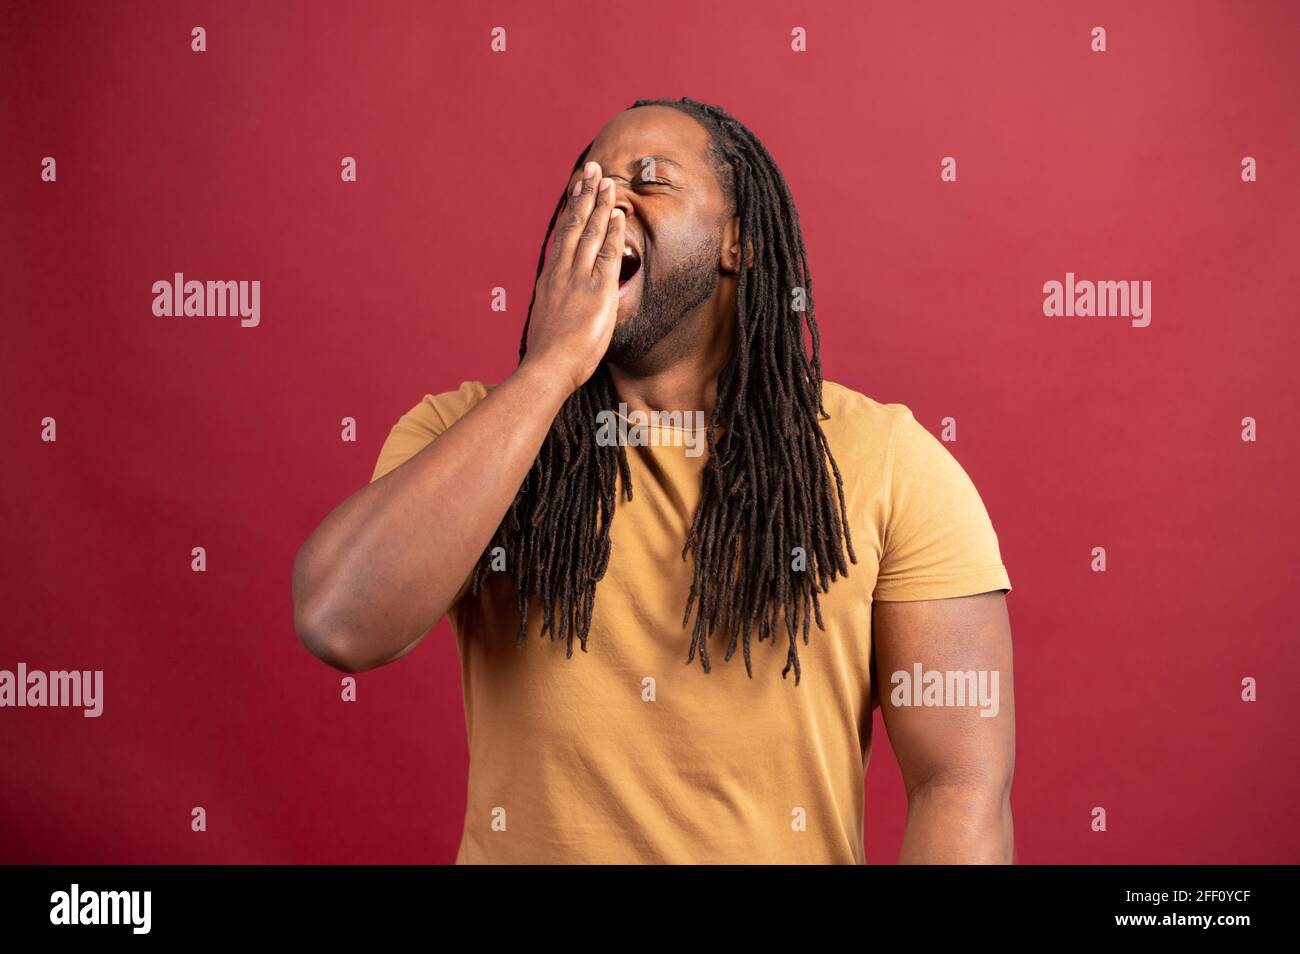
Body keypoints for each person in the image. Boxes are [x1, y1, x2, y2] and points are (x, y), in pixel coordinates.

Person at [292, 96, 1016, 864]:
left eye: (649, 180)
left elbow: (960, 785)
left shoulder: (891, 462)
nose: (608, 203)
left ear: (738, 241)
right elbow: (340, 622)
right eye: (586, 186)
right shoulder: (465, 434)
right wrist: (550, 368)